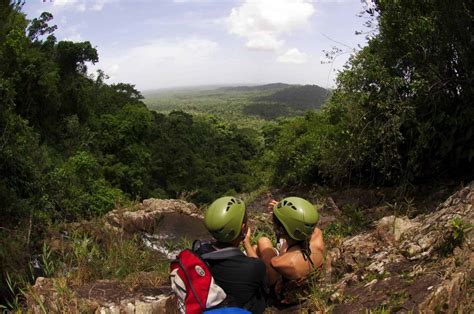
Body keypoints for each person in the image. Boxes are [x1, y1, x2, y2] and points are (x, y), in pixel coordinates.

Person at [244, 197, 324, 299]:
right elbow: (304, 224)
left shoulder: (280, 262)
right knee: (259, 244)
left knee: (262, 242)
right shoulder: (318, 235)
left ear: (281, 230)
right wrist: (287, 214)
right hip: (309, 283)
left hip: (287, 296)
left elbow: (260, 270)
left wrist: (246, 242)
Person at [199, 196, 267, 314]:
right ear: (243, 228)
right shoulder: (254, 266)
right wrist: (246, 242)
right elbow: (265, 281)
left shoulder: (200, 253)